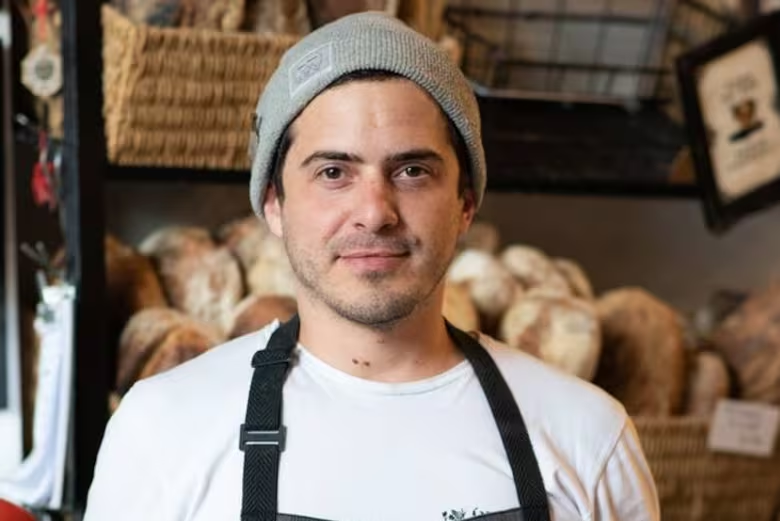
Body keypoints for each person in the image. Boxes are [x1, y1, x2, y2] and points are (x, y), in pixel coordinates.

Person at [83, 11, 660, 521]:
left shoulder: (587, 438)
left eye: (412, 171)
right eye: (333, 172)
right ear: (274, 204)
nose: (375, 212)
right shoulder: (164, 431)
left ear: (465, 203)